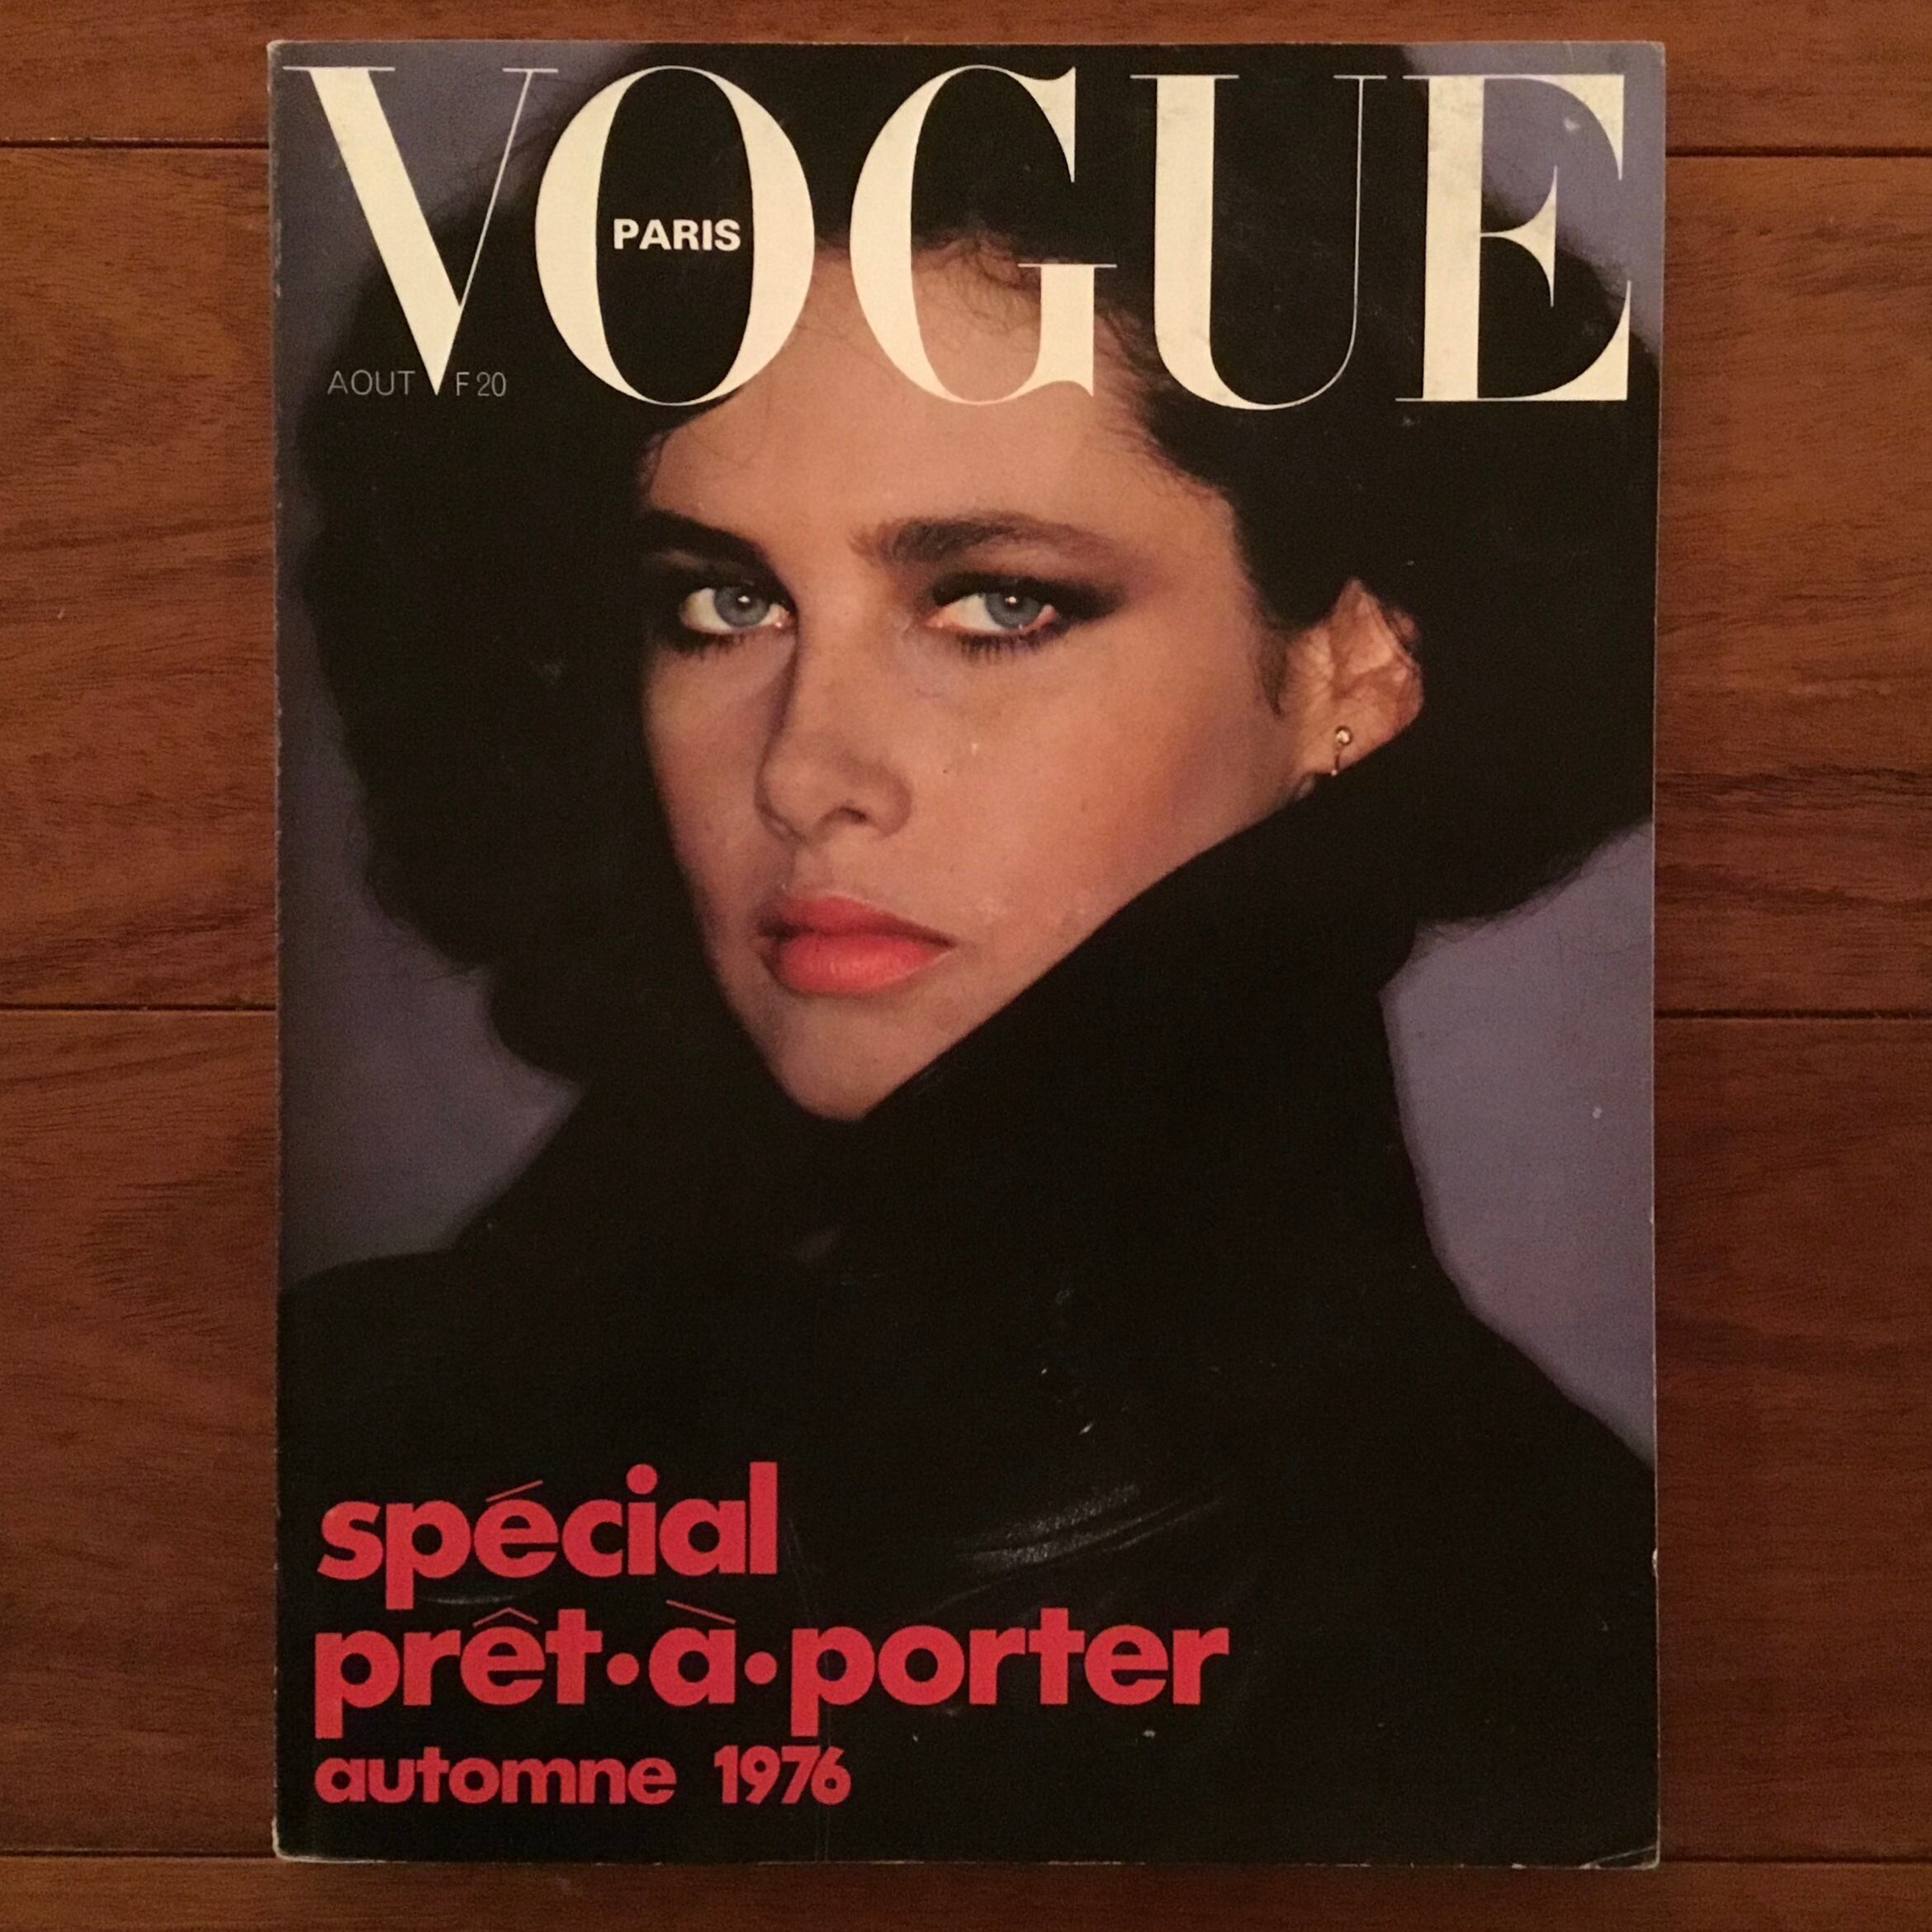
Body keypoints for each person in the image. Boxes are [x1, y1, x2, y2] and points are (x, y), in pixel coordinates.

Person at [279, 51, 1656, 1863]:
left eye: (998, 603)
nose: (804, 772)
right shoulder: (347, 1426)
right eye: (721, 599)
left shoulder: (1503, 1613)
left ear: (1354, 669)